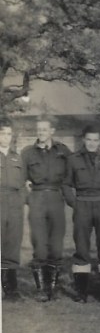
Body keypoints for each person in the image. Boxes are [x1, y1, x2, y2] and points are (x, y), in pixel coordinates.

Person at [63, 126, 100, 304]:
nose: (92, 143)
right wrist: (74, 204)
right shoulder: (73, 160)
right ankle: (81, 293)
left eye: (96, 140)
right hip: (83, 205)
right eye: (89, 140)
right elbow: (65, 184)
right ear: (83, 140)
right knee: (81, 249)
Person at [20, 116, 71, 301]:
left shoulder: (63, 151)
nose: (41, 132)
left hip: (56, 198)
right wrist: (30, 199)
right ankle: (41, 289)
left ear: (52, 131)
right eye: (39, 129)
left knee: (56, 245)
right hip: (37, 198)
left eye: (45, 129)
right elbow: (20, 180)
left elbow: (75, 167)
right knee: (40, 244)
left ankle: (53, 288)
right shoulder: (28, 153)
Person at [0, 117, 25, 301]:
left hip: (15, 203)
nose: (6, 137)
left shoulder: (17, 157)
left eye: (9, 134)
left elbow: (23, 183)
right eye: (2, 133)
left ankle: (10, 288)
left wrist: (21, 200)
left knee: (12, 244)